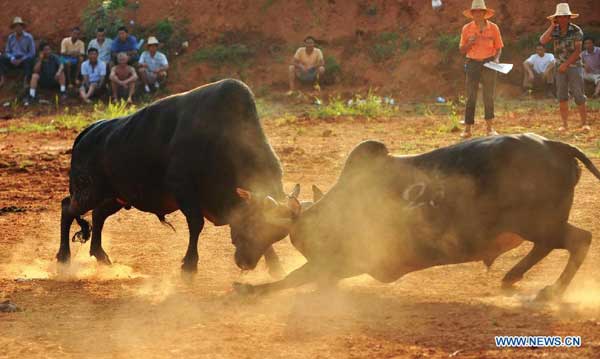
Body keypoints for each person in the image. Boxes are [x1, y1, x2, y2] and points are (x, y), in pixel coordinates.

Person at [540, 3, 589, 132]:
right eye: (559, 17)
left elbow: (578, 51)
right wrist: (552, 26)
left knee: (579, 94)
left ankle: (584, 123)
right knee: (562, 95)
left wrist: (566, 64)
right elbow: (543, 40)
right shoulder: (554, 30)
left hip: (574, 66)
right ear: (556, 18)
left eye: (564, 16)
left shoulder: (576, 30)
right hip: (559, 67)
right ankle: (564, 124)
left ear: (569, 17)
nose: (562, 19)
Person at [459, 0, 503, 139]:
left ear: (484, 13)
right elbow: (461, 50)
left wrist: (496, 60)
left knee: (488, 96)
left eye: (480, 12)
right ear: (472, 14)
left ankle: (489, 128)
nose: (478, 14)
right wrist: (469, 43)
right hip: (472, 63)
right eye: (475, 12)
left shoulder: (494, 28)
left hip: (489, 62)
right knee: (471, 96)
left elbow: (499, 47)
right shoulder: (466, 28)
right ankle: (467, 129)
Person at [0, 17, 36, 88]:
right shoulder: (11, 37)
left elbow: (32, 52)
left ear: (22, 27)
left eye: (19, 26)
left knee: (30, 60)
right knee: (1, 58)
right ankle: (2, 79)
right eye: (16, 27)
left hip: (23, 59)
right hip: (13, 58)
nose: (18, 28)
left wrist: (21, 59)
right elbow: (7, 51)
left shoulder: (28, 37)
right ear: (13, 28)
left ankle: (26, 81)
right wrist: (12, 58)